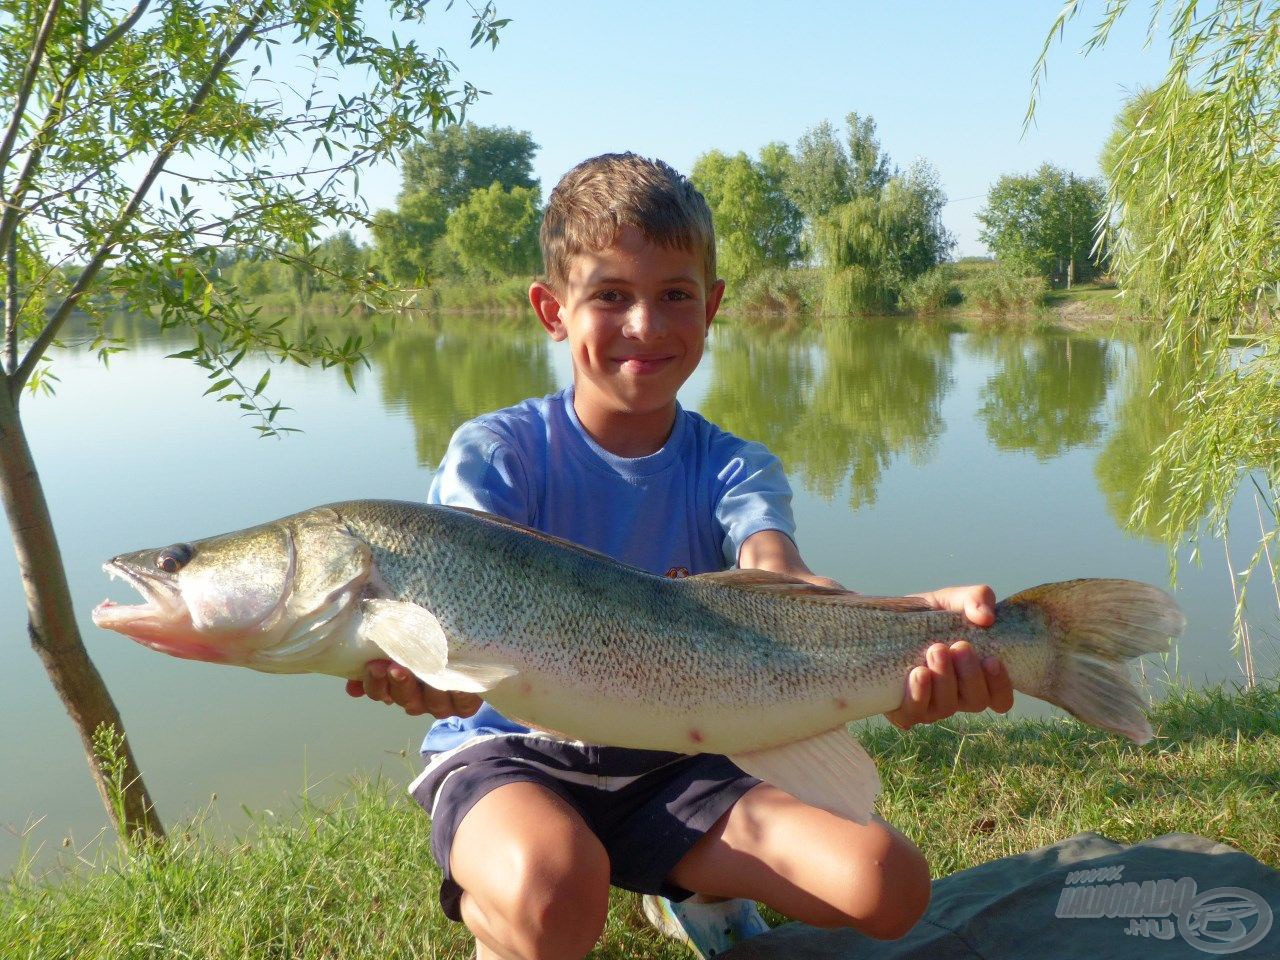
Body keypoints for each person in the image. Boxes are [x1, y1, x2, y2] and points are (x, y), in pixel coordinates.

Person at [347, 153, 1014, 960]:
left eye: (674, 295)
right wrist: (432, 675)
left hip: (676, 758)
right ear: (552, 310)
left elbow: (775, 569)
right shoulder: (496, 453)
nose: (646, 326)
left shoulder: (735, 465)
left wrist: (916, 630)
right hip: (512, 751)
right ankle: (510, 932)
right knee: (556, 895)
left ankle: (689, 882)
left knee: (890, 885)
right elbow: (447, 594)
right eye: (611, 296)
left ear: (713, 307)